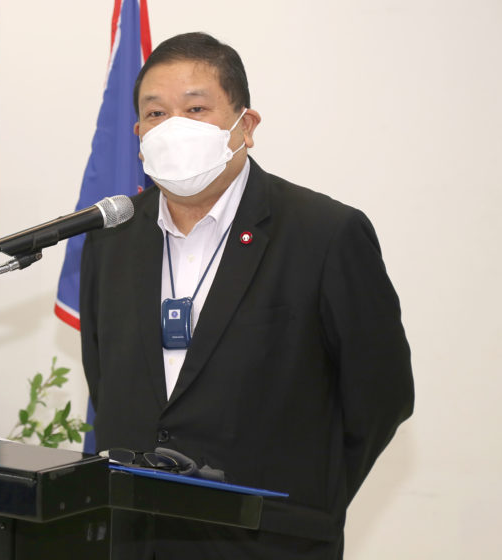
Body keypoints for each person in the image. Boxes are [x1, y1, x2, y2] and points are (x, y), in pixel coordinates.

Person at [79, 32, 414, 560]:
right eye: (157, 113)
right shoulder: (110, 238)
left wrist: (306, 504)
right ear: (139, 134)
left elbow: (382, 395)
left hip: (269, 541)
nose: (175, 127)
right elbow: (104, 377)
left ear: (246, 126)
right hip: (135, 537)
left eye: (196, 109)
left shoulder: (324, 234)